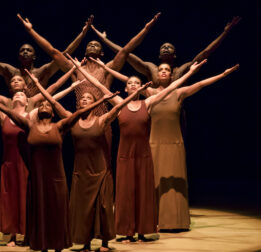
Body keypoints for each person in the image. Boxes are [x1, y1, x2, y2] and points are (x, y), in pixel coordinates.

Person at [0, 76, 117, 252]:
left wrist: (102, 101)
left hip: (57, 180)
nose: (44, 107)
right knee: (39, 213)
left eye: (47, 106)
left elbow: (78, 113)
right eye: (41, 106)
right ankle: (42, 249)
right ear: (37, 111)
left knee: (56, 214)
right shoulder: (29, 125)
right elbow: (5, 110)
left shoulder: (60, 126)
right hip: (37, 179)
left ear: (53, 112)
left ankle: (57, 250)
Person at [68, 54, 207, 241]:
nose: (133, 85)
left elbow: (172, 87)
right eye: (130, 83)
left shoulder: (147, 103)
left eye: (136, 83)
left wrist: (190, 73)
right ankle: (126, 231)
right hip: (125, 155)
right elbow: (99, 86)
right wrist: (82, 70)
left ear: (141, 88)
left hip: (143, 155)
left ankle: (142, 231)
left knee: (143, 192)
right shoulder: (118, 103)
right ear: (126, 88)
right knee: (125, 194)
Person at [0, 66, 83, 247]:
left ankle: (27, 234)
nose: (17, 95)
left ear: (27, 102)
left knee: (26, 198)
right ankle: (11, 235)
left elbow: (52, 97)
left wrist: (72, 87)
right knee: (9, 199)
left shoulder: (30, 116)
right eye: (15, 95)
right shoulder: (4, 116)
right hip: (9, 164)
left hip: (25, 163)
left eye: (21, 95)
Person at [25, 68, 149, 252]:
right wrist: (37, 85)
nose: (84, 100)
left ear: (94, 103)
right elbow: (52, 102)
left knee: (104, 207)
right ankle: (86, 243)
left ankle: (105, 242)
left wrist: (136, 94)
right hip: (80, 171)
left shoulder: (101, 120)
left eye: (88, 98)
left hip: (100, 169)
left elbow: (117, 108)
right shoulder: (71, 119)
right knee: (83, 208)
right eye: (82, 99)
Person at [17, 12, 161, 164]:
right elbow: (54, 52)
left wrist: (146, 28)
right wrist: (30, 30)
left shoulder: (107, 69)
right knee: (81, 162)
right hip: (79, 122)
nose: (92, 45)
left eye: (96, 45)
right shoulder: (76, 69)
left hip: (102, 121)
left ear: (102, 52)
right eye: (89, 44)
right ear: (85, 51)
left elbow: (125, 50)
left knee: (105, 162)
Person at [148, 62, 240, 231]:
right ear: (156, 75)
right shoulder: (149, 93)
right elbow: (126, 81)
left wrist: (223, 74)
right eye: (160, 69)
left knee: (175, 183)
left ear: (171, 75)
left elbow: (201, 84)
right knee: (154, 182)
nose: (163, 72)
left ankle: (176, 221)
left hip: (175, 144)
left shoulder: (179, 92)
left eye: (167, 70)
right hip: (154, 144)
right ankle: (153, 220)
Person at [0, 15, 93, 96]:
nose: (25, 52)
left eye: (29, 50)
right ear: (18, 56)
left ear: (34, 56)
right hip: (16, 112)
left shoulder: (43, 71)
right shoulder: (10, 71)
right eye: (22, 50)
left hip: (39, 114)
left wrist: (83, 34)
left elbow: (63, 54)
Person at [91, 16, 241, 86]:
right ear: (159, 54)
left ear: (174, 55)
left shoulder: (182, 69)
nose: (166, 48)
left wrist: (225, 32)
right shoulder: (150, 68)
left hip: (175, 110)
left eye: (169, 47)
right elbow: (125, 53)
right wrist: (105, 40)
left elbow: (205, 53)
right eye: (163, 47)